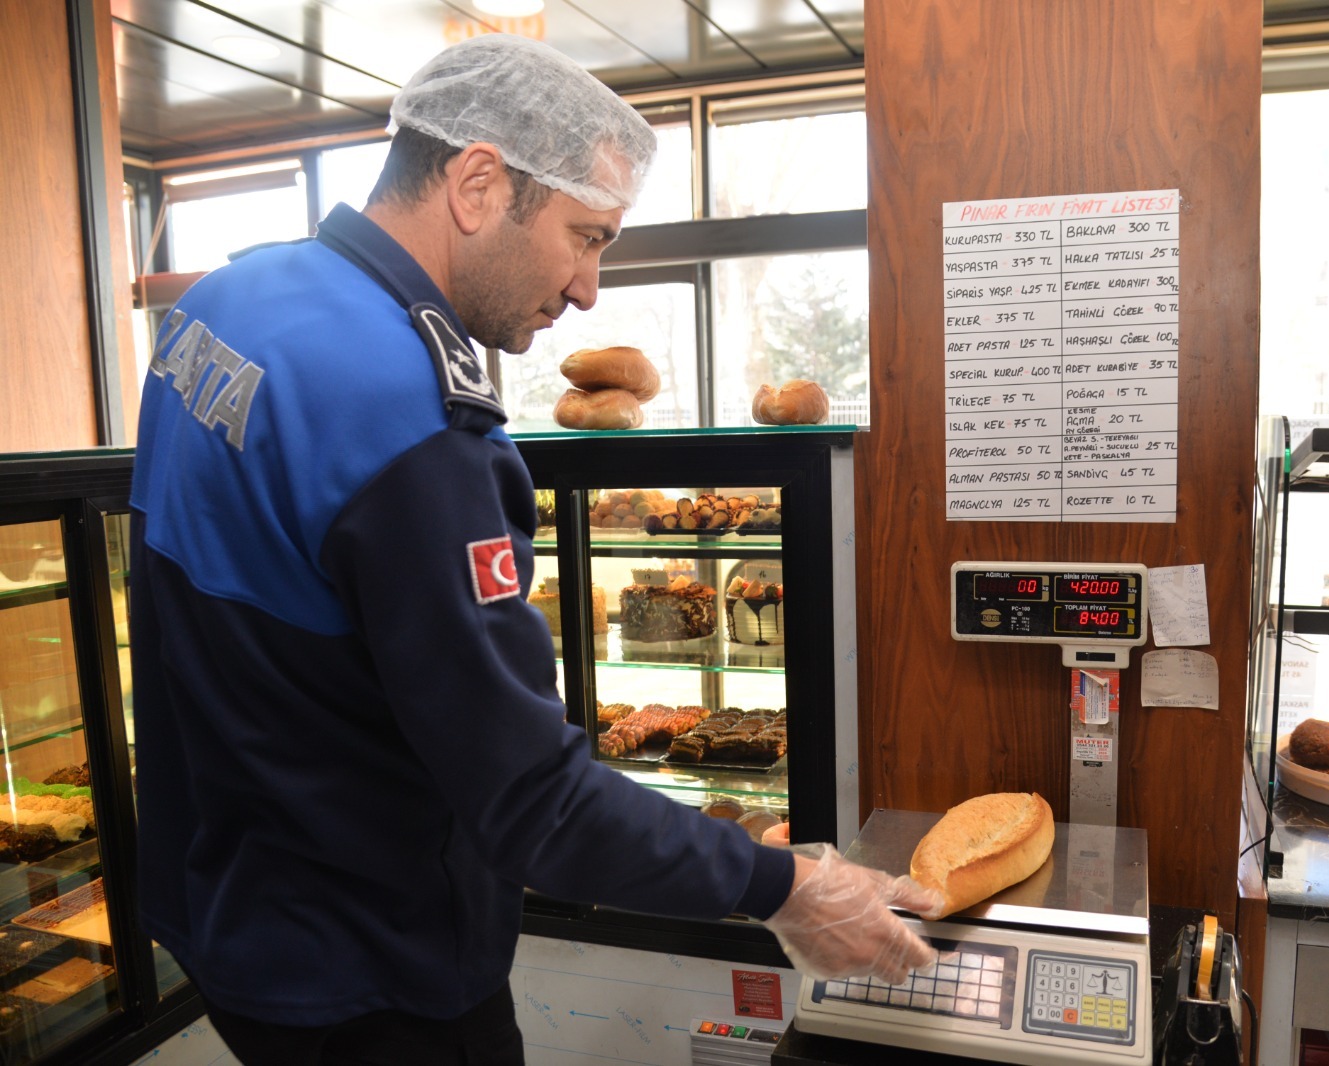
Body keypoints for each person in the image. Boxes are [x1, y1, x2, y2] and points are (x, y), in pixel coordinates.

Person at [129, 34, 937, 1065]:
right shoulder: (413, 421)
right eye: (586, 236)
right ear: (476, 183)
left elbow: (165, 608)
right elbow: (533, 801)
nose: (591, 287)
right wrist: (783, 886)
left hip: (231, 918)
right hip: (375, 976)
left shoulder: (222, 306)